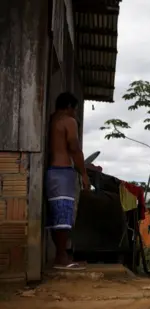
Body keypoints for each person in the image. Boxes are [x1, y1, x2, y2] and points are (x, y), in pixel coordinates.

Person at [46, 92, 90, 270]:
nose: (75, 114)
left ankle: (61, 255)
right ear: (70, 107)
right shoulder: (68, 121)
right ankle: (61, 257)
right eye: (75, 110)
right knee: (63, 215)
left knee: (56, 216)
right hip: (63, 171)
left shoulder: (52, 120)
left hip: (51, 172)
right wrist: (84, 174)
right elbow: (74, 147)